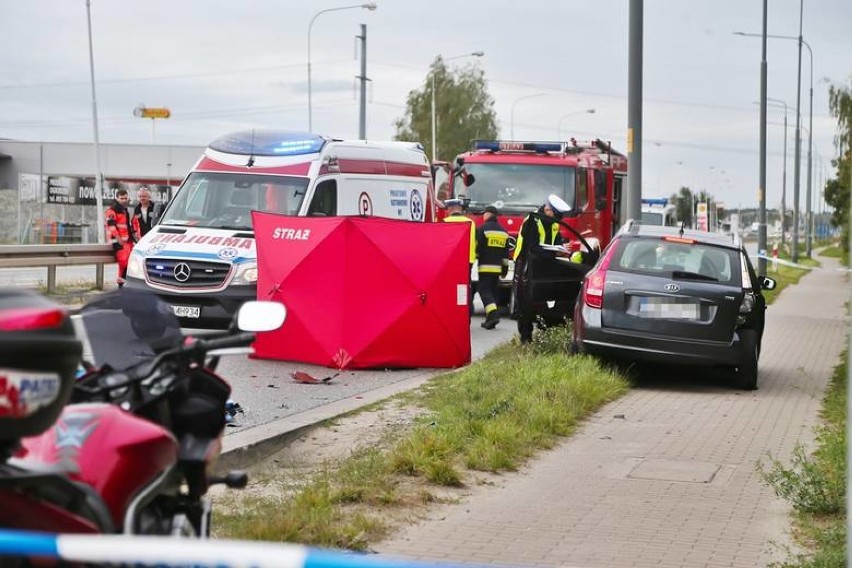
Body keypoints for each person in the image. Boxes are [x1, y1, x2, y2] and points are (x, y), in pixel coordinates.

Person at [512, 194, 572, 343]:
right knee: (525, 302)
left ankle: (544, 331)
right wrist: (554, 252)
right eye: (556, 216)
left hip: (544, 265)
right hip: (526, 265)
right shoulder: (532, 221)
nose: (557, 220)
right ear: (547, 210)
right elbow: (532, 247)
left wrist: (562, 248)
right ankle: (526, 338)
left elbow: (556, 241)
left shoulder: (553, 223)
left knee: (544, 300)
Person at [442, 198, 477, 320]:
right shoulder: (471, 223)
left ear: (450, 209)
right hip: (468, 261)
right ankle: (467, 314)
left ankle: (450, 315)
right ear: (460, 209)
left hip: (450, 262)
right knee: (464, 288)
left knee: (448, 289)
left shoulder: (444, 222)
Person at [476, 205, 510, 330]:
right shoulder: (503, 232)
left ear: (488, 214)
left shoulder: (482, 229)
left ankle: (493, 314)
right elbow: (506, 255)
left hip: (485, 267)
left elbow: (477, 248)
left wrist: (472, 261)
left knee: (484, 291)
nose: (483, 215)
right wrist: (504, 270)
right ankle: (489, 320)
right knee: (493, 293)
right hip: (497, 269)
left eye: (484, 213)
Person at [105, 188, 140, 287]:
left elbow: (127, 226)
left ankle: (122, 283)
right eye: (122, 198)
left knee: (130, 261)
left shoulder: (124, 210)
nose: (124, 200)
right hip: (118, 241)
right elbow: (111, 225)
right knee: (124, 262)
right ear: (117, 198)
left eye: (125, 198)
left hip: (127, 241)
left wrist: (134, 238)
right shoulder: (112, 210)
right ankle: (121, 284)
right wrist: (119, 239)